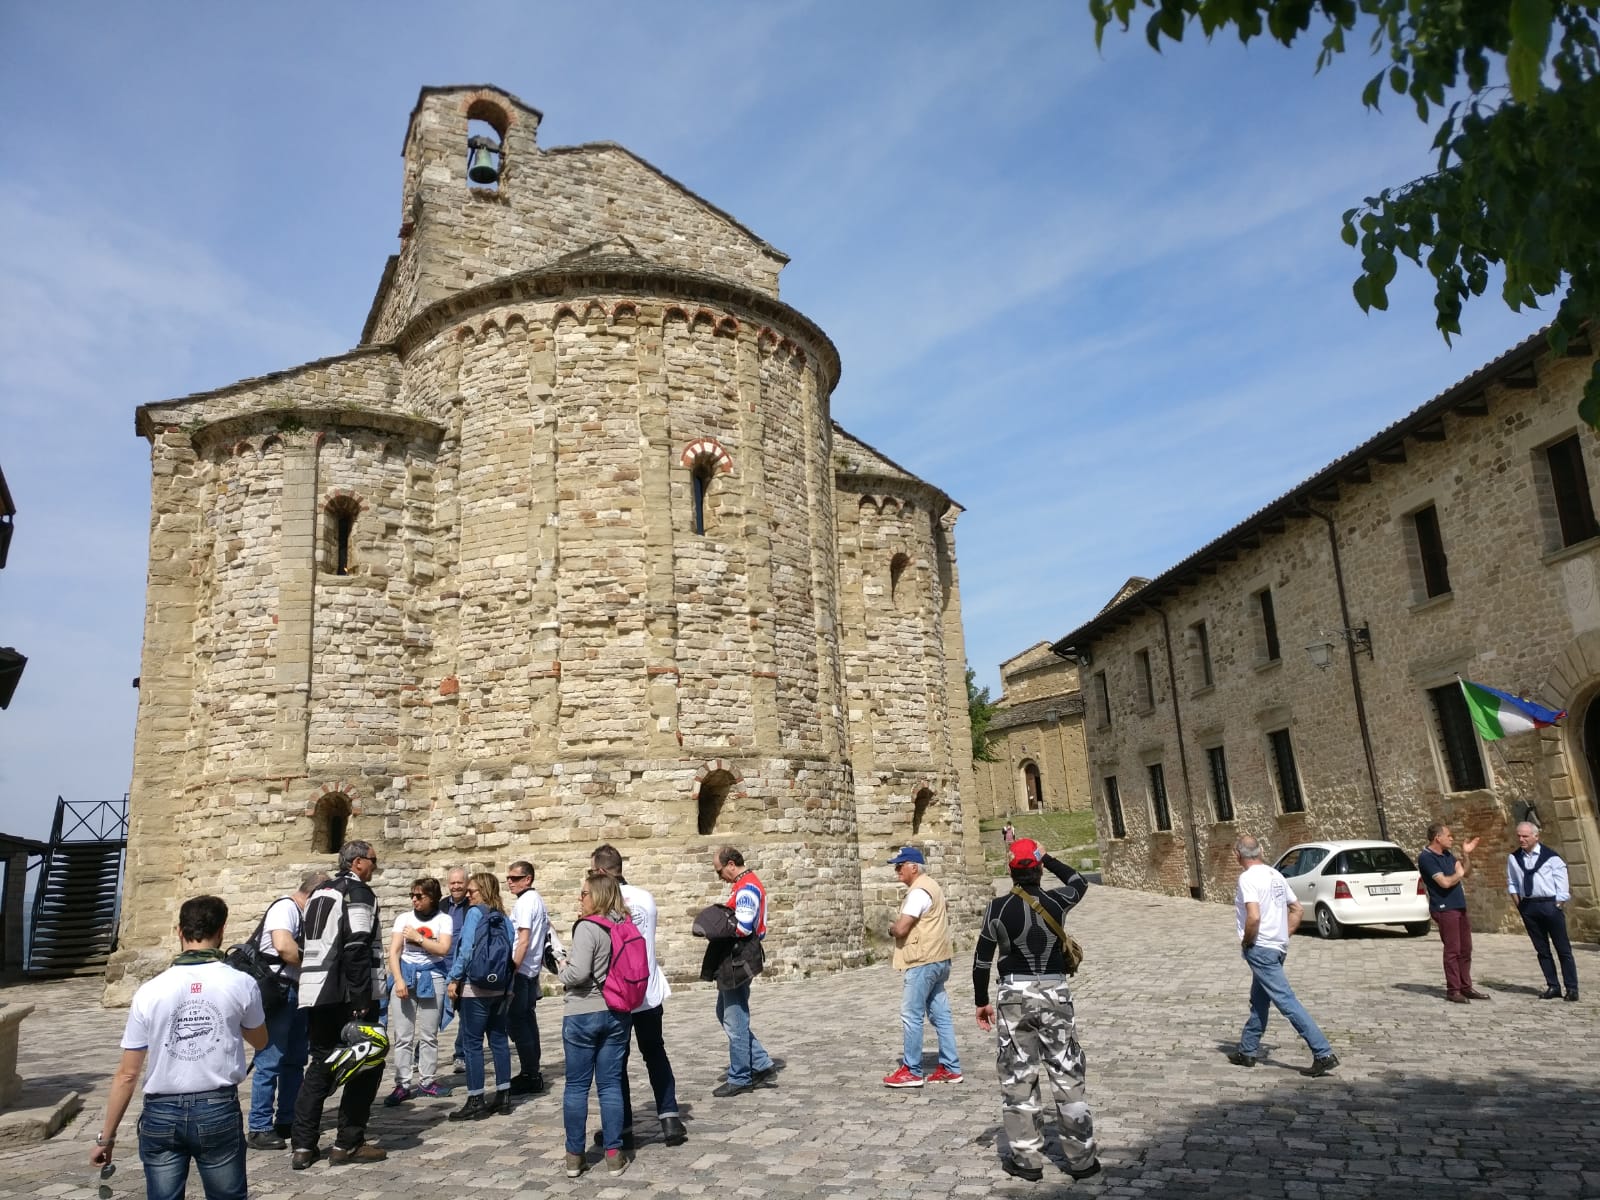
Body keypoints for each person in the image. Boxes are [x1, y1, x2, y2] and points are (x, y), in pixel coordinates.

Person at [91, 895, 267, 1200]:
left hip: (161, 1110)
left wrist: (106, 1137)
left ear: (179, 931)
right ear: (221, 931)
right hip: (216, 1105)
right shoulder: (241, 983)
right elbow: (261, 1041)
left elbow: (127, 1074)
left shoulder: (149, 991)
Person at [973, 838, 1099, 1184]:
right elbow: (1079, 881)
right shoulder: (1056, 901)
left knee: (1018, 1074)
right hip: (1055, 991)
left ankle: (1027, 1159)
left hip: (1015, 994)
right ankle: (1082, 1160)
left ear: (1011, 870)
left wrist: (981, 1001)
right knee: (1067, 1070)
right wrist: (1049, 856)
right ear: (1039, 869)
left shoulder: (998, 908)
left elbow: (982, 960)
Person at [290, 840, 387, 1169]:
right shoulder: (357, 892)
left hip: (317, 991)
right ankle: (348, 1142)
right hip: (346, 993)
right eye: (372, 859)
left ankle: (303, 1146)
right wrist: (361, 999)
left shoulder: (319, 892)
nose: (375, 865)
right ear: (357, 862)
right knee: (366, 1064)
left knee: (321, 1064)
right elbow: (356, 945)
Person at [591, 843, 687, 1147]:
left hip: (619, 993)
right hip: (648, 988)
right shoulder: (646, 897)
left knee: (616, 1061)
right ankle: (670, 1117)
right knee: (655, 1053)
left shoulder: (603, 902)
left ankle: (622, 1126)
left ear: (601, 871)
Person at [1226, 836, 1338, 1079]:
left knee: (1286, 1001)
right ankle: (1247, 1050)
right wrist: (1282, 935)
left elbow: (1254, 916)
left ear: (1238, 855)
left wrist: (1248, 941)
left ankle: (1323, 1052)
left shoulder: (1248, 878)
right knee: (1259, 1000)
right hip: (1277, 947)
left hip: (1261, 948)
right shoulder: (1275, 874)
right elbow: (1297, 908)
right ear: (1260, 851)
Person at [560, 870, 634, 1179]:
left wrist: (561, 968)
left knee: (577, 1086)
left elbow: (578, 974)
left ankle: (575, 1157)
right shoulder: (624, 924)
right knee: (610, 1085)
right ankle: (614, 1155)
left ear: (598, 896)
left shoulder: (587, 927)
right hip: (617, 1011)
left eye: (584, 894)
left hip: (583, 1011)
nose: (580, 899)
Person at [246, 868, 327, 1150]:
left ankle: (287, 1119)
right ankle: (259, 1126)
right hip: (279, 992)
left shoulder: (300, 912)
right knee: (270, 1060)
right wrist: (318, 965)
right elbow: (284, 947)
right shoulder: (286, 908)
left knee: (294, 1060)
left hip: (296, 992)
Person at [883, 846, 962, 1088]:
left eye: (900, 866)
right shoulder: (933, 886)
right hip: (940, 958)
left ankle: (912, 1070)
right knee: (941, 1015)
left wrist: (891, 929)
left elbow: (902, 928)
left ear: (914, 867)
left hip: (923, 960)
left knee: (911, 1014)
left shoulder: (918, 892)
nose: (897, 871)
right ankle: (950, 1067)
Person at [445, 871, 514, 1120]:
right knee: (499, 1040)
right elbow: (512, 951)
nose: (468, 895)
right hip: (499, 988)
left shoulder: (475, 913)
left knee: (472, 1044)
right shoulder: (503, 916)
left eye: (471, 891)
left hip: (475, 989)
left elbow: (465, 950)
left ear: (482, 891)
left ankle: (476, 1099)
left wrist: (454, 978)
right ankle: (504, 1096)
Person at [709, 844, 775, 1098]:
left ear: (731, 865)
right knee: (724, 1012)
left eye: (719, 871)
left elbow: (744, 926)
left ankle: (740, 1076)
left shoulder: (747, 888)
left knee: (735, 1018)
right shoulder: (744, 885)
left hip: (739, 958)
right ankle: (760, 1062)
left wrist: (715, 927)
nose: (719, 876)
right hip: (737, 957)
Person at [384, 876, 453, 1105]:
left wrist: (418, 938)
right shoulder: (404, 918)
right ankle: (402, 1084)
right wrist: (398, 980)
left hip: (433, 977)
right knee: (403, 1035)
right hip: (406, 975)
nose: (414, 900)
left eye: (419, 896)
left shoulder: (443, 919)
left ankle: (427, 1080)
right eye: (412, 895)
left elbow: (442, 949)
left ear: (432, 897)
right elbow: (394, 951)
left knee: (429, 1034)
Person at [1507, 821, 1580, 1001]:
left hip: (1549, 905)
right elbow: (1513, 883)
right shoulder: (1514, 858)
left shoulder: (1551, 857)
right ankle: (1553, 986)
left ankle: (1571, 988)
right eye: (1519, 836)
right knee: (1542, 950)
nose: (1521, 839)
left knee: (1563, 949)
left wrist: (1558, 905)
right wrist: (1520, 906)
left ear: (1536, 836)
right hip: (1529, 906)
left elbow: (1562, 885)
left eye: (1525, 836)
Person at [1418, 823, 1490, 1003]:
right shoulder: (1426, 858)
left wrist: (1466, 855)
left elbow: (1466, 872)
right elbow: (1444, 883)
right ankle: (1453, 990)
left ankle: (1466, 987)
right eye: (1448, 835)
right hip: (1444, 908)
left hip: (1459, 905)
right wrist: (1459, 874)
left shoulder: (1448, 855)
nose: (1451, 838)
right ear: (1438, 838)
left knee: (1466, 948)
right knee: (1453, 950)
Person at [505, 858, 551, 1095]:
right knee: (528, 1021)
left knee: (518, 1022)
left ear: (527, 879)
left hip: (522, 971)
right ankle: (532, 1070)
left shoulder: (525, 902)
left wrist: (512, 969)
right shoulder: (536, 900)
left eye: (514, 878)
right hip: (530, 971)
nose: (510, 882)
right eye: (508, 878)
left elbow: (523, 940)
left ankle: (530, 1073)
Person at [439, 867, 471, 1073]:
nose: (456, 886)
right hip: (441, 966)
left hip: (464, 969)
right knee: (433, 1014)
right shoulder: (441, 905)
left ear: (466, 883)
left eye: (460, 882)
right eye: (453, 883)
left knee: (465, 1016)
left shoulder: (472, 906)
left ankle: (461, 1054)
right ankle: (419, 1055)